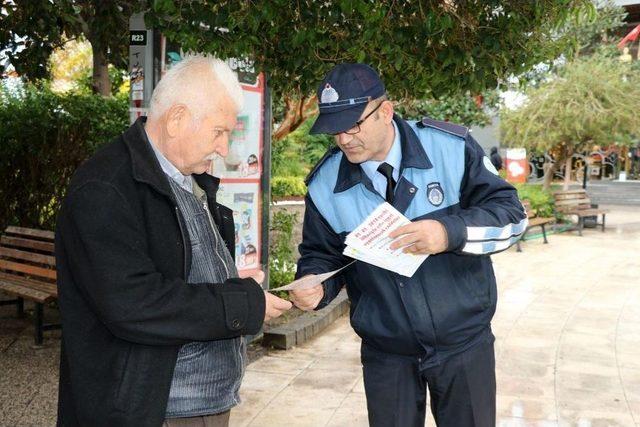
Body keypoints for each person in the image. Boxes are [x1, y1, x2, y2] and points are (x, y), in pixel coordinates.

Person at [55, 54, 291, 427]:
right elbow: (133, 304)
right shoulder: (106, 187)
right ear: (177, 118)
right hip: (155, 413)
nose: (225, 148)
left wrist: (241, 287)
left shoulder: (184, 177)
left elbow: (185, 274)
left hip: (199, 405)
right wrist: (241, 304)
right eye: (219, 131)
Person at [289, 63, 527, 427]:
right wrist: (314, 284)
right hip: (387, 354)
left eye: (353, 124)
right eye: (335, 129)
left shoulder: (451, 147)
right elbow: (321, 255)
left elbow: (512, 217)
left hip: (464, 344)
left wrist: (448, 233)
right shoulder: (324, 186)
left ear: (385, 111)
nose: (343, 139)